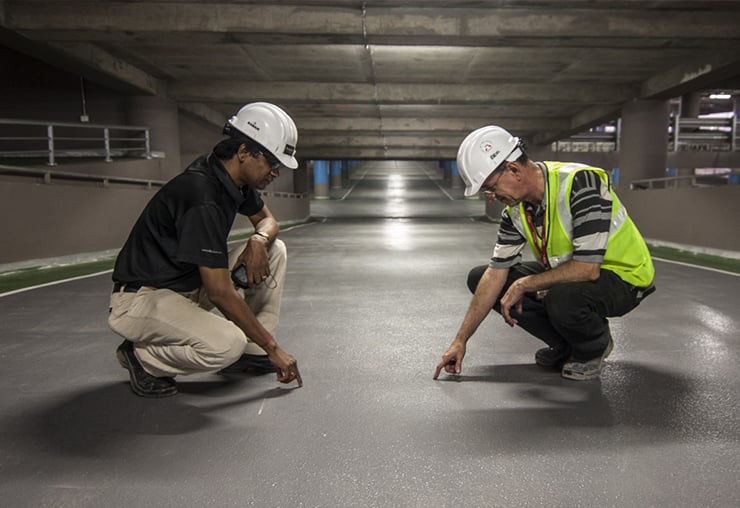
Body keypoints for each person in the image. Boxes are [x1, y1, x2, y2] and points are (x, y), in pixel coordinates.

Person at [109, 102, 303, 397]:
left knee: (275, 250)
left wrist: (258, 240)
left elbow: (267, 220)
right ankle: (144, 358)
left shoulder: (231, 179)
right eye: (272, 163)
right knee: (226, 345)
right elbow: (219, 292)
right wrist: (274, 348)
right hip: (141, 299)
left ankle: (253, 348)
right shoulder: (202, 196)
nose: (275, 172)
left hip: (184, 287)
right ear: (243, 153)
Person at [434, 125, 655, 381]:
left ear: (513, 169)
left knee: (561, 296)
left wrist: (526, 284)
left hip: (624, 277)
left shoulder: (580, 183)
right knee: (481, 277)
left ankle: (591, 348)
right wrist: (460, 341)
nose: (491, 197)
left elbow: (587, 268)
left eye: (490, 187)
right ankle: (565, 345)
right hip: (576, 274)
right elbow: (496, 274)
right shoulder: (516, 211)